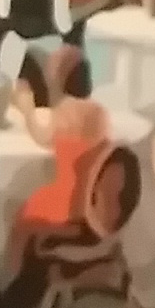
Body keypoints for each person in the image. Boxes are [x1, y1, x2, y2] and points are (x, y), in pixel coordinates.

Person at [18, 72, 112, 233]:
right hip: (93, 196)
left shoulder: (66, 111)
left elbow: (43, 138)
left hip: (67, 196)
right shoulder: (99, 113)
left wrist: (28, 111)